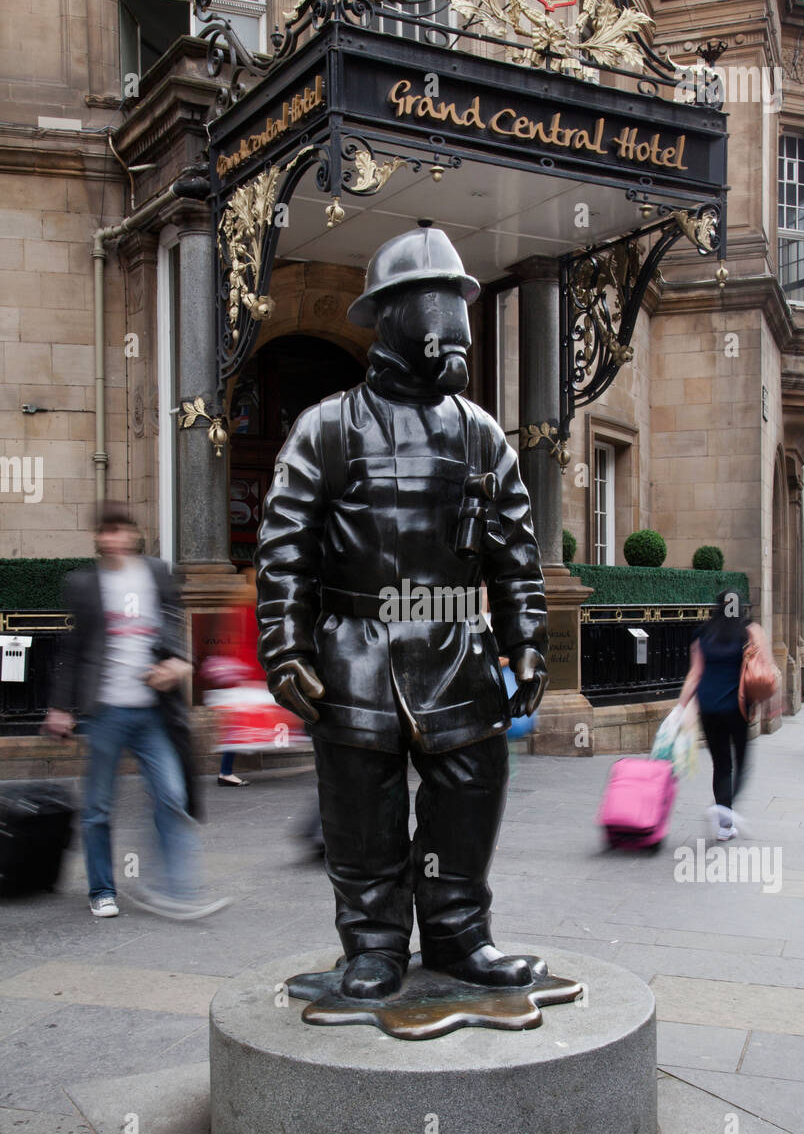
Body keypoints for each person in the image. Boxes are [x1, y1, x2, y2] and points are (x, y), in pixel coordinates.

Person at [256, 226, 548, 1000]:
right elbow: (284, 547)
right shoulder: (327, 428)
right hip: (355, 651)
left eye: (457, 301)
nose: (449, 319)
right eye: (435, 301)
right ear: (388, 317)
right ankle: (375, 943)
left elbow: (515, 554)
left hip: (457, 644)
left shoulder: (481, 434)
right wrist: (285, 646)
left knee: (471, 791)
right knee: (361, 809)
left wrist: (529, 643)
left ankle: (458, 934)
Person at [43, 505, 230, 920]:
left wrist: (179, 661)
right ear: (97, 538)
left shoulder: (156, 573)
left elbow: (172, 623)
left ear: (132, 534)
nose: (111, 539)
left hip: (151, 712)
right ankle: (102, 890)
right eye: (104, 532)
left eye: (118, 530)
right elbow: (71, 651)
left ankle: (173, 889)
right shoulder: (83, 584)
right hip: (105, 711)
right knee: (97, 806)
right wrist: (59, 706)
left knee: (172, 796)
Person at [678, 591, 770, 841]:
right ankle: (724, 812)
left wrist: (681, 707)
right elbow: (764, 668)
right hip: (737, 707)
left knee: (721, 764)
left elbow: (695, 674)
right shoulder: (749, 631)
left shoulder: (703, 633)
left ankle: (724, 824)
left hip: (708, 707)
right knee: (741, 762)